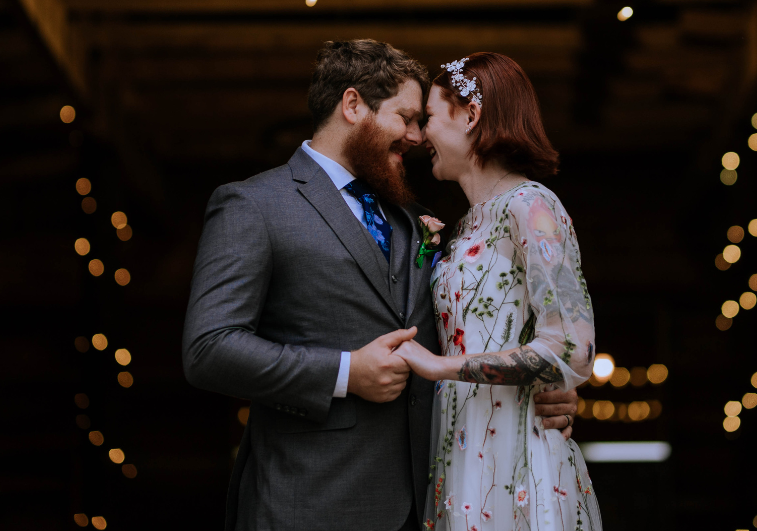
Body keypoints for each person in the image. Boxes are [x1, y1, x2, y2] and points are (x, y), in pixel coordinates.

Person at [182, 40, 579, 531]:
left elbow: (472, 324)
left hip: (433, 502)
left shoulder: (411, 219)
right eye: (406, 118)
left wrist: (542, 383)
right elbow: (209, 349)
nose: (417, 136)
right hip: (308, 504)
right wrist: (346, 372)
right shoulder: (254, 205)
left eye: (422, 120)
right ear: (353, 106)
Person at [394, 52, 602, 530]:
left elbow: (572, 346)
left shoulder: (532, 205)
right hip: (462, 447)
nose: (421, 134)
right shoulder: (469, 224)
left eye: (428, 117)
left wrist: (440, 367)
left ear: (471, 115)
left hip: (517, 452)